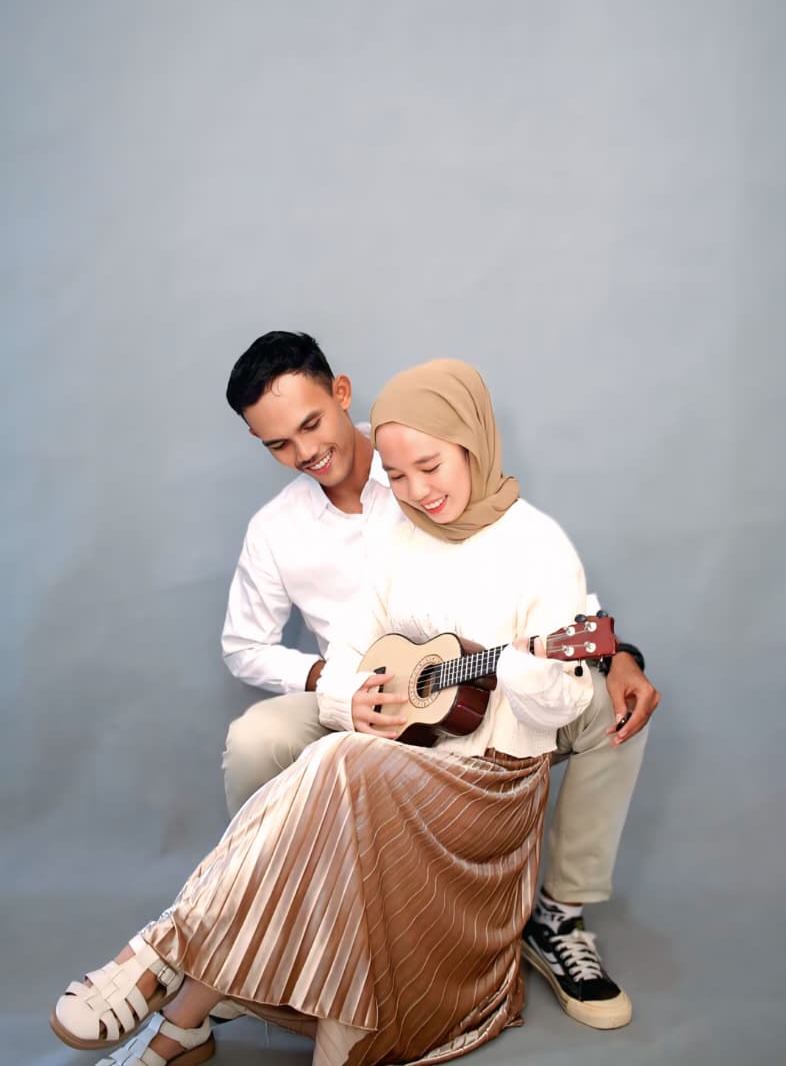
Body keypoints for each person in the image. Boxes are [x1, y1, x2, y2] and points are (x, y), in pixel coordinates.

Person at [51, 359, 599, 1066]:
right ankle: (179, 1026)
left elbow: (564, 699)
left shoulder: (538, 544)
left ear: (473, 441)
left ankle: (162, 957)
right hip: (409, 763)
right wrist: (355, 696)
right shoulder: (398, 535)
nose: (416, 491)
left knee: (334, 762)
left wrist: (524, 664)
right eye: (397, 477)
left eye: (430, 467)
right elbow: (348, 647)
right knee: (332, 773)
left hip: (492, 789)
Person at [220, 332, 660, 1028]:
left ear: (341, 393)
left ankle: (558, 916)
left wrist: (620, 653)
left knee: (614, 711)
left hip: (479, 684)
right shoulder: (276, 529)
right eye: (278, 444)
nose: (304, 452)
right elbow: (244, 647)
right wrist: (341, 686)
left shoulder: (422, 443)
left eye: (311, 424)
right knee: (254, 738)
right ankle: (258, 920)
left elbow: (534, 581)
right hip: (359, 691)